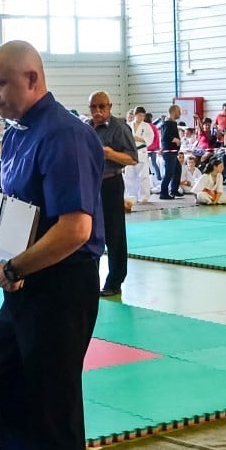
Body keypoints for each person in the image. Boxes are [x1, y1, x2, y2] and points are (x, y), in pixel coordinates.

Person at [0, 40, 104, 450]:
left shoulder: (65, 134)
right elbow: (13, 210)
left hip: (61, 283)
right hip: (22, 278)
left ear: (31, 77)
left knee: (54, 409)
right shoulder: (16, 134)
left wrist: (15, 266)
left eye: (0, 85)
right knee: (0, 386)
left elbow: (73, 228)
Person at [88, 91, 136, 297]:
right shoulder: (86, 128)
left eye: (102, 107)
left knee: (114, 234)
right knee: (88, 233)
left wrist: (110, 153)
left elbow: (132, 158)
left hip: (111, 183)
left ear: (109, 106)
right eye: (93, 107)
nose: (98, 111)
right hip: (90, 185)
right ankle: (90, 280)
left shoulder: (119, 128)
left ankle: (115, 281)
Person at [124, 106, 154, 205]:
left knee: (143, 176)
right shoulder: (128, 125)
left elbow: (150, 138)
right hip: (130, 152)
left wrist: (138, 138)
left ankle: (144, 196)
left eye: (143, 116)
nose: (141, 117)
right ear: (135, 115)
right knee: (129, 175)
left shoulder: (146, 126)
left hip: (142, 152)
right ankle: (131, 196)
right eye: (139, 115)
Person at [159, 105, 182, 199]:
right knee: (169, 172)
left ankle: (174, 190)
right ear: (173, 112)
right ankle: (163, 193)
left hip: (172, 152)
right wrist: (175, 139)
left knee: (177, 170)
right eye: (178, 111)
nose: (180, 113)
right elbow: (165, 136)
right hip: (169, 152)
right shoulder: (169, 123)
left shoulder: (171, 123)